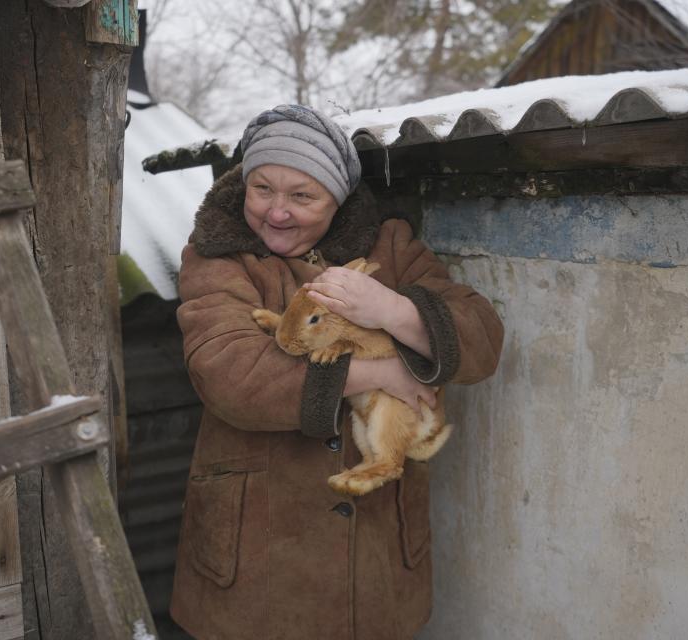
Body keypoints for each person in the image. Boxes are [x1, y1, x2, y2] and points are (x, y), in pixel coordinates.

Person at [169, 104, 504, 640]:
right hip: (260, 545)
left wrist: (392, 311)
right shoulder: (220, 259)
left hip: (375, 550)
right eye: (262, 189)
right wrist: (382, 373)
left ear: (338, 198)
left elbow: (483, 336)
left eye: (302, 196)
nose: (277, 213)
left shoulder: (389, 247)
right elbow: (230, 374)